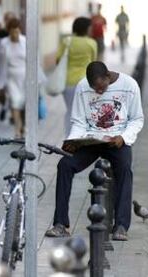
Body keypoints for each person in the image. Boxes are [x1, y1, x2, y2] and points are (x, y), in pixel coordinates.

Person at [45, 61, 144, 241]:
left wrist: (124, 138)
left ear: (108, 76)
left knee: (124, 170)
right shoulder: (83, 87)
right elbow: (79, 121)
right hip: (91, 140)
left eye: (101, 87)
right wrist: (73, 141)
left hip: (117, 140)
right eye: (94, 89)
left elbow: (137, 119)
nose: (98, 92)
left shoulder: (129, 85)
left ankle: (121, 226)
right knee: (65, 165)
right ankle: (61, 223)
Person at [57, 17, 97, 136]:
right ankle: (82, 136)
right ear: (86, 28)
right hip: (85, 82)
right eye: (90, 27)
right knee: (84, 111)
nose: (91, 30)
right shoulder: (91, 43)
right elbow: (94, 63)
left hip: (68, 82)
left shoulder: (67, 41)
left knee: (70, 110)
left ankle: (69, 137)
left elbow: (58, 59)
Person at [0, 18, 26, 138]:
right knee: (15, 102)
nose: (15, 35)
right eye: (13, 32)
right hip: (10, 77)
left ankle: (23, 126)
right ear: (9, 31)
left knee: (23, 104)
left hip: (25, 77)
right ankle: (17, 130)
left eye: (17, 32)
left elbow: (33, 61)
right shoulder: (3, 43)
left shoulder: (25, 42)